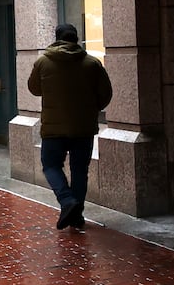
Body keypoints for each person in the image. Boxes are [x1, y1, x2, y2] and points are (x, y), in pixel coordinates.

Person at [27, 23, 113, 231]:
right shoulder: (92, 64)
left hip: (53, 129)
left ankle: (67, 201)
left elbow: (34, 89)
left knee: (50, 165)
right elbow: (106, 94)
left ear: (56, 38)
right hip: (84, 128)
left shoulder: (43, 62)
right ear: (76, 39)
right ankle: (77, 215)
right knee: (80, 170)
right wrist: (92, 109)